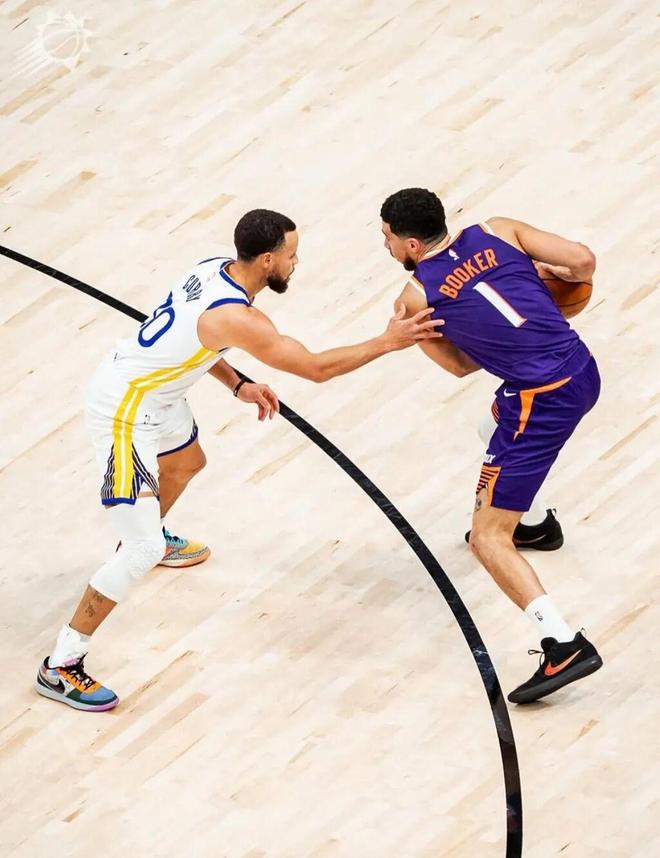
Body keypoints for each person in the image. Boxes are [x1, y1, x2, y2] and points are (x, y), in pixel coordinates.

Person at [36, 208, 442, 712]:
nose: (296, 263)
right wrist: (387, 341)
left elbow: (198, 338)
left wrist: (238, 384)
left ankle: (148, 534)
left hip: (155, 393)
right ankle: (61, 664)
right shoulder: (239, 315)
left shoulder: (213, 269)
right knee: (138, 549)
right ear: (267, 260)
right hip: (124, 410)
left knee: (188, 462)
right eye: (291, 255)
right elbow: (316, 368)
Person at [380, 188, 603, 704]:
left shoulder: (414, 299)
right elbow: (582, 262)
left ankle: (564, 644)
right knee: (490, 425)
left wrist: (426, 334)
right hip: (581, 368)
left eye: (387, 238)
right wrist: (542, 292)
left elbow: (460, 365)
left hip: (539, 401)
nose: (386, 246)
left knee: (486, 538)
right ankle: (537, 526)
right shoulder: (499, 229)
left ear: (411, 245)